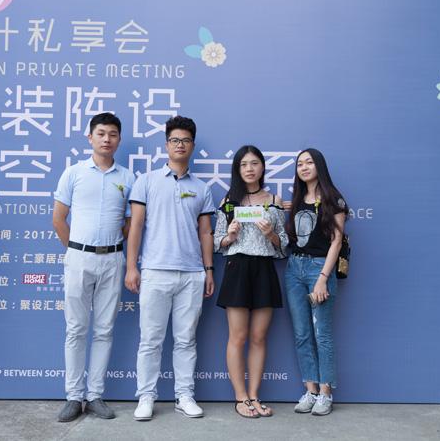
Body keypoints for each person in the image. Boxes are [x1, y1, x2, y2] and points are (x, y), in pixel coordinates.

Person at [125, 115, 215, 421]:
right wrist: (132, 267)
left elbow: (206, 232)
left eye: (185, 141)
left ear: (192, 146)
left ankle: (184, 395)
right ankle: (146, 396)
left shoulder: (202, 188)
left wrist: (209, 270)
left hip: (192, 274)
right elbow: (136, 227)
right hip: (155, 271)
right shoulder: (146, 181)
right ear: (166, 145)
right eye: (175, 140)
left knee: (186, 340)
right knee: (150, 340)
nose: (180, 145)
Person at [52, 112, 135, 422]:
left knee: (104, 329)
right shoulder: (73, 173)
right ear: (90, 137)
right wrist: (76, 250)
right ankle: (73, 397)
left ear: (119, 140)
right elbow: (59, 219)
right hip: (78, 257)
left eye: (112, 134)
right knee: (75, 329)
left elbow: (130, 223)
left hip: (113, 258)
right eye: (101, 133)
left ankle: (95, 395)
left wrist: (111, 248)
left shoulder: (128, 178)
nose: (106, 139)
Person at [214, 145, 288, 418]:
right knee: (238, 336)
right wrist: (230, 236)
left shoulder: (274, 201)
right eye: (244, 164)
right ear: (237, 168)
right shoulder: (228, 201)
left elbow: (283, 246)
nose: (249, 168)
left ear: (262, 167)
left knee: (258, 337)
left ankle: (254, 395)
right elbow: (216, 242)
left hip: (264, 269)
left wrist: (271, 234)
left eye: (254, 163)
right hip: (237, 268)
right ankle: (240, 398)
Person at [284, 148, 348, 416]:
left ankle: (325, 393)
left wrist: (322, 278)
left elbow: (336, 241)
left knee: (322, 333)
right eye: (300, 164)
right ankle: (310, 390)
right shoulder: (297, 199)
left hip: (319, 269)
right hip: (294, 269)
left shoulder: (334, 199)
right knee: (301, 334)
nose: (304, 167)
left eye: (309, 162)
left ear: (319, 166)